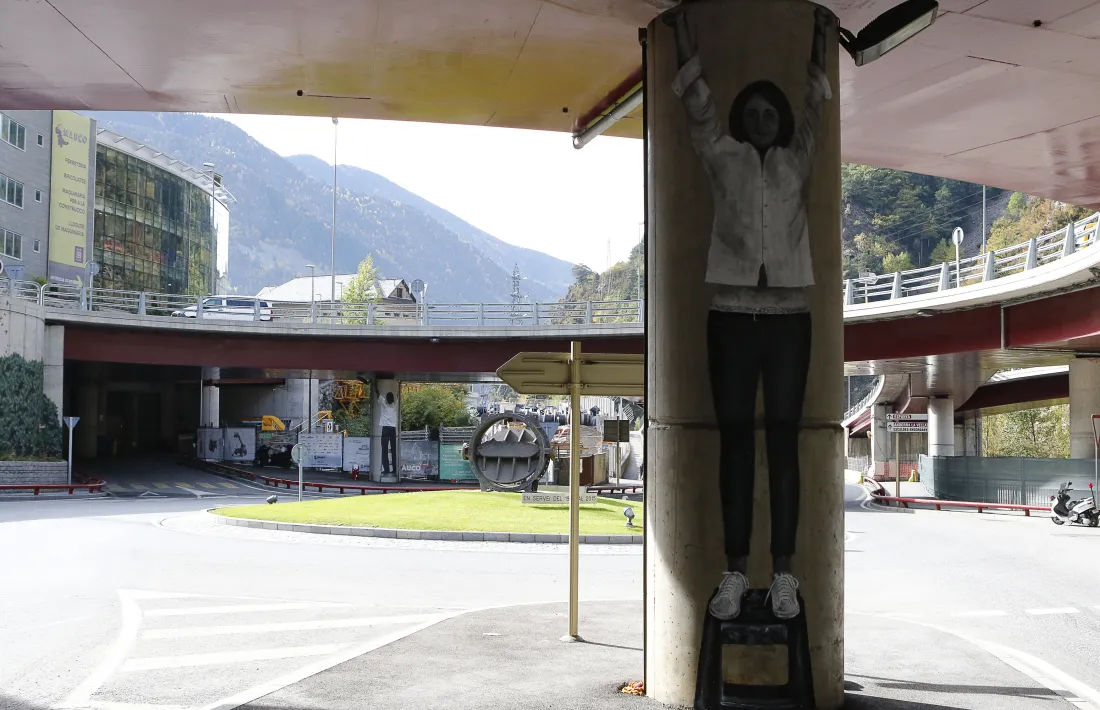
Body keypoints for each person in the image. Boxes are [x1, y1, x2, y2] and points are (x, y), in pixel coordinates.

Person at [666, 5, 834, 622]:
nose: (763, 120)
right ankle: (734, 573)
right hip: (731, 316)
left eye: (771, 113)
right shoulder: (724, 155)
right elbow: (699, 108)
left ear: (781, 121)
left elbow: (817, 105)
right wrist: (687, 55)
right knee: (735, 444)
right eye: (754, 113)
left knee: (785, 445)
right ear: (743, 119)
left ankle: (784, 574)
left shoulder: (797, 159)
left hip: (791, 317)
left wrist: (820, 46)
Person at [378, 390, 398, 476]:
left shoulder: (384, 404)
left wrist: (375, 386)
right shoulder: (395, 405)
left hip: (385, 428)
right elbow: (398, 396)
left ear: (386, 398)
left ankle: (386, 469)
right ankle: (394, 469)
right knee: (394, 450)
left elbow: (377, 394)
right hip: (393, 429)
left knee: (384, 450)